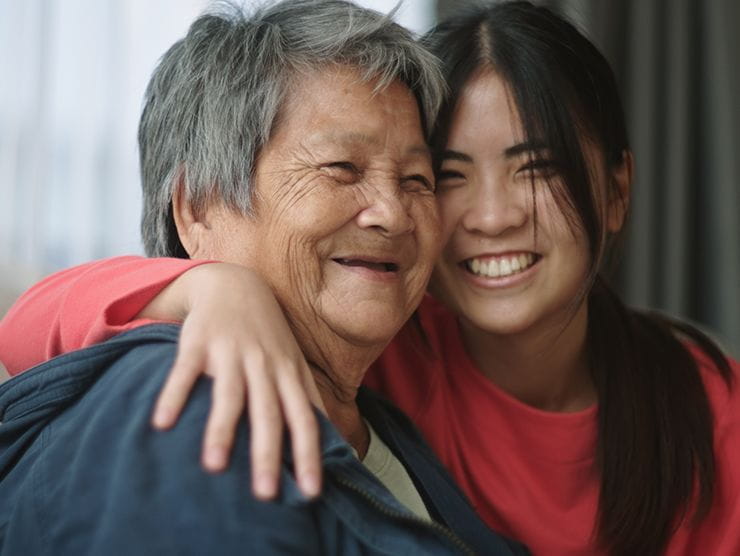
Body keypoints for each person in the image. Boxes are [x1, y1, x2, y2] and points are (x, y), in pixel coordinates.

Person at [1, 1, 739, 554]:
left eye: (416, 179)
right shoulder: (210, 402)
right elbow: (30, 331)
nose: (391, 211)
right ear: (198, 206)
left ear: (618, 191)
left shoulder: (377, 381)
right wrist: (212, 288)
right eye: (341, 168)